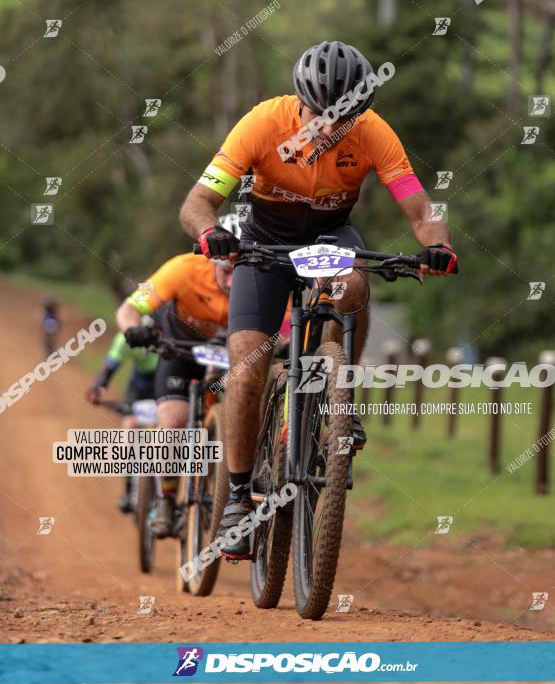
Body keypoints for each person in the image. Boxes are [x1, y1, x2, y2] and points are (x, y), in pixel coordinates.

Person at [179, 39, 459, 560]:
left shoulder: (375, 133)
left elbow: (420, 211)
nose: (330, 131)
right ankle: (239, 498)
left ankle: (337, 398)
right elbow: (199, 201)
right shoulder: (263, 123)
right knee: (245, 365)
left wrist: (437, 245)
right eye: (320, 117)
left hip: (328, 241)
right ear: (300, 101)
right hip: (262, 242)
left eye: (345, 119)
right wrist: (211, 232)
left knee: (354, 286)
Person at [116, 222, 237, 537]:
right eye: (226, 271)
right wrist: (133, 329)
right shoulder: (182, 269)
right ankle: (166, 499)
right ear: (211, 262)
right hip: (179, 355)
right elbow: (130, 307)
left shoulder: (259, 283)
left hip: (231, 361)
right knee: (172, 422)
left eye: (241, 270)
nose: (233, 281)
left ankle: (236, 490)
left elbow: (286, 324)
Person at [86, 314, 160, 513]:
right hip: (139, 388)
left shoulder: (171, 337)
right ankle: (129, 490)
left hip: (165, 387)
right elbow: (109, 367)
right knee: (130, 428)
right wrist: (98, 387)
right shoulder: (125, 338)